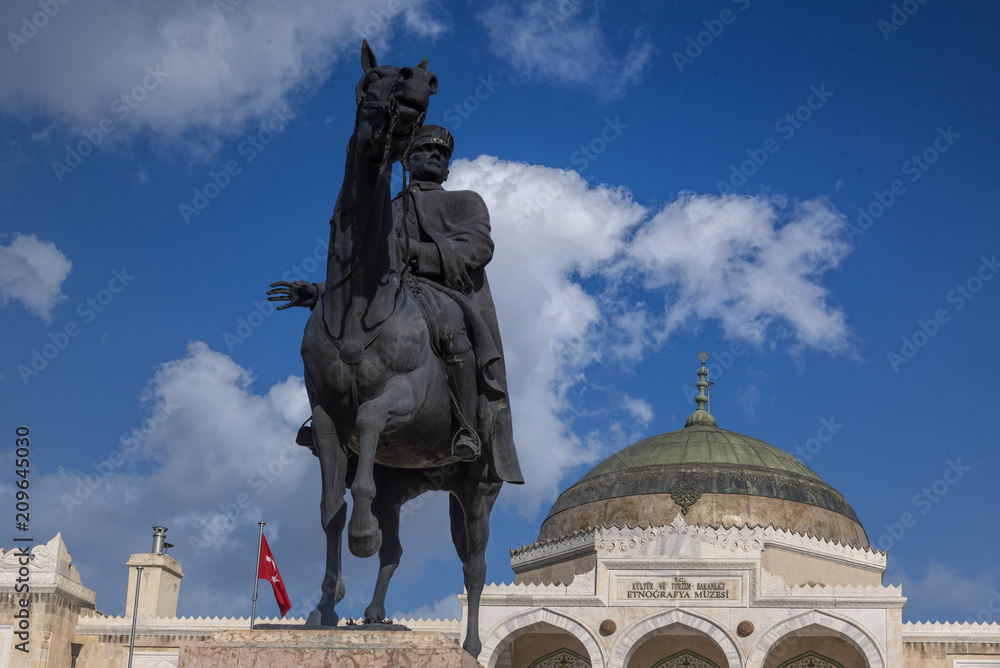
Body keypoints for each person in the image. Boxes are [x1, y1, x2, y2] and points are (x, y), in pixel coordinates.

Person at [269, 125, 522, 484]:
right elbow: (362, 271)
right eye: (424, 149)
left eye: (442, 153)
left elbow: (478, 250)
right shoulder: (390, 208)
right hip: (391, 292)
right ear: (408, 158)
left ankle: (465, 425)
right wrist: (319, 290)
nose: (435, 156)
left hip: (444, 290)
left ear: (448, 168)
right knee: (338, 336)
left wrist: (416, 253)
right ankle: (324, 418)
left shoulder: (465, 201)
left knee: (452, 328)